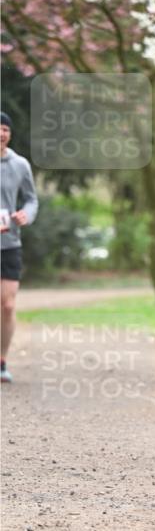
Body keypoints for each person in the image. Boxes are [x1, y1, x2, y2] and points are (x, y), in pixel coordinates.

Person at [1, 111, 39, 384]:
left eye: (5, 129)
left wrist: (26, 214)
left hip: (9, 243)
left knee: (7, 305)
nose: (1, 134)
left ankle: (1, 361)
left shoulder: (20, 164)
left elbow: (31, 200)